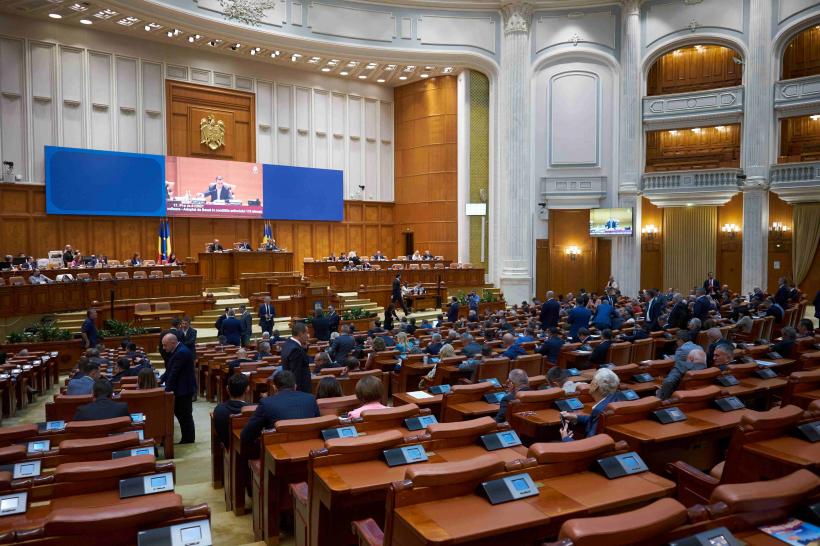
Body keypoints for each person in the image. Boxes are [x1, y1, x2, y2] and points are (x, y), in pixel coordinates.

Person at [240, 371, 319, 447]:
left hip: (277, 451)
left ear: (274, 388)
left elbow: (246, 434)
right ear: (295, 386)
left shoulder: (266, 403)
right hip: (309, 447)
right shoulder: (310, 398)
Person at [560, 368, 620, 440]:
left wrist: (566, 438)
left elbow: (590, 444)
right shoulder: (615, 400)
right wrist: (576, 417)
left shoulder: (599, 410)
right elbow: (597, 421)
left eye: (592, 380)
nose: (590, 383)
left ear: (595, 386)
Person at [159, 333, 197, 444]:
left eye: (165, 345)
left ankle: (188, 439)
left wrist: (167, 391)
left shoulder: (181, 352)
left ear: (173, 342)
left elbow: (174, 374)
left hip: (183, 390)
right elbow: (169, 370)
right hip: (181, 388)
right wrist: (160, 380)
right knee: (182, 414)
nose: (163, 348)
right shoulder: (177, 350)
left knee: (184, 415)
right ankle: (187, 438)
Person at [213, 373, 249, 448]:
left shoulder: (218, 410)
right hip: (249, 448)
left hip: (228, 447)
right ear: (247, 389)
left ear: (227, 389)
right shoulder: (254, 410)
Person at [282, 322, 311, 393]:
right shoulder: (296, 350)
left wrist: (304, 348)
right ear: (300, 334)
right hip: (300, 388)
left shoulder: (287, 343)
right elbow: (296, 373)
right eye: (306, 333)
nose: (308, 336)